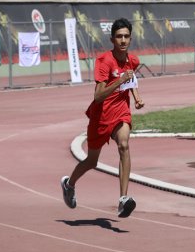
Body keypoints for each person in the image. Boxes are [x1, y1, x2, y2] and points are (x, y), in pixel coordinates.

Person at [60, 18, 144, 218]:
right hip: (101, 116)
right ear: (112, 39)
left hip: (121, 111)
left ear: (130, 39)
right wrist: (119, 80)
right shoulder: (104, 61)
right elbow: (98, 96)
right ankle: (69, 184)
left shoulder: (133, 60)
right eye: (119, 37)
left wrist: (137, 97)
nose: (123, 40)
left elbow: (131, 80)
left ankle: (123, 199)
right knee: (91, 161)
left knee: (124, 145)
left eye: (126, 36)